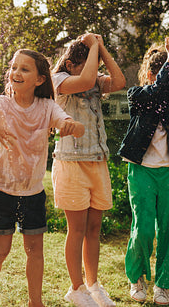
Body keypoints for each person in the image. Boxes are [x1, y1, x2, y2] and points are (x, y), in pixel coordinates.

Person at [0, 49, 84, 307]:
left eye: (25, 69)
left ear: (39, 79)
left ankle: (35, 302)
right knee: (0, 250)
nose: (16, 73)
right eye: (14, 67)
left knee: (35, 250)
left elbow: (73, 125)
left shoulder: (48, 107)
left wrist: (73, 126)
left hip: (32, 193)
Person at [118, 34, 169, 305]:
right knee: (143, 228)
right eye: (154, 72)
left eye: (163, 72)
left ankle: (163, 285)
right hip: (141, 170)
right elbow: (157, 90)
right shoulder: (138, 95)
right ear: (149, 73)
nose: (159, 77)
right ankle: (137, 277)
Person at [51, 33, 126, 307]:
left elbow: (119, 82)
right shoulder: (59, 81)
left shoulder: (93, 81)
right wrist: (93, 45)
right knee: (77, 229)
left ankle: (93, 284)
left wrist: (102, 48)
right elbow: (84, 80)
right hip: (71, 162)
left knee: (94, 228)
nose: (93, 74)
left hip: (98, 161)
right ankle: (76, 287)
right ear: (70, 64)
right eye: (87, 65)